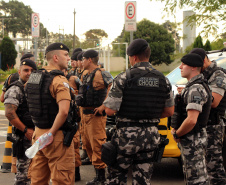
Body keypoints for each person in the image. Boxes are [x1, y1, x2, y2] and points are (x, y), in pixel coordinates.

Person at [103, 38, 174, 185]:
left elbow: (110, 110)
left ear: (133, 57)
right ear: (148, 55)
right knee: (143, 180)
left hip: (125, 137)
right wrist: (148, 115)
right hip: (150, 137)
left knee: (115, 177)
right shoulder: (163, 79)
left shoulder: (123, 78)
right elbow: (169, 111)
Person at [26, 43, 75, 185]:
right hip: (56, 137)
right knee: (62, 180)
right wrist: (51, 134)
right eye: (65, 55)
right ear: (55, 57)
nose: (68, 58)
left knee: (38, 179)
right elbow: (64, 111)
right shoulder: (59, 80)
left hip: (38, 134)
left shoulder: (34, 77)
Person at [171, 53, 212, 185]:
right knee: (196, 177)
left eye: (184, 64)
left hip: (193, 139)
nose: (180, 67)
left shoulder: (195, 88)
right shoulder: (194, 86)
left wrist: (177, 133)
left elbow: (191, 120)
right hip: (194, 138)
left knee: (197, 180)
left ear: (194, 67)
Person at [76, 49, 113, 185]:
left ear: (89, 60)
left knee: (97, 145)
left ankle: (102, 178)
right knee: (87, 145)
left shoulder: (102, 73)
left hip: (96, 116)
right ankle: (98, 175)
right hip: (84, 115)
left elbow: (113, 87)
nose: (81, 61)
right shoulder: (86, 74)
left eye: (83, 59)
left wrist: (104, 105)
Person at [190, 48, 226, 184]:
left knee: (214, 166)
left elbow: (214, 102)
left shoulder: (218, 74)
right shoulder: (202, 74)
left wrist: (193, 96)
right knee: (202, 167)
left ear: (205, 59)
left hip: (213, 126)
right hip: (202, 125)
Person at [4, 59, 37, 185]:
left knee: (36, 173)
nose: (29, 73)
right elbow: (9, 113)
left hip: (36, 135)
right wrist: (25, 130)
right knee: (23, 176)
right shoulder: (15, 89)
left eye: (32, 71)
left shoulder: (34, 88)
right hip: (24, 137)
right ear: (19, 72)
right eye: (26, 70)